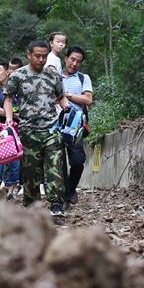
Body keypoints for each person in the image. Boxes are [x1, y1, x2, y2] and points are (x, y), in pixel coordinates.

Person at [4, 39, 70, 216]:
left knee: (55, 167)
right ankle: (32, 207)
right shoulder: (17, 76)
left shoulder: (53, 75)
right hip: (28, 131)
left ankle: (56, 205)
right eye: (37, 56)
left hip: (51, 129)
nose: (41, 60)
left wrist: (68, 109)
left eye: (44, 56)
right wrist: (9, 119)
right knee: (31, 172)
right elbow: (8, 99)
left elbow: (61, 96)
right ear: (29, 55)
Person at [60, 45, 93, 205]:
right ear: (66, 58)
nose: (74, 64)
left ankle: (71, 189)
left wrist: (67, 95)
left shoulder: (83, 78)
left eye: (78, 61)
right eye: (72, 59)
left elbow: (88, 100)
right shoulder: (55, 76)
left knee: (77, 161)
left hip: (75, 126)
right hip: (56, 124)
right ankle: (65, 195)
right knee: (58, 162)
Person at [0, 61, 21, 196]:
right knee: (0, 157)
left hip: (20, 129)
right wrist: (16, 115)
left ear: (8, 71)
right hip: (2, 130)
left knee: (16, 159)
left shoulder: (18, 89)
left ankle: (11, 189)